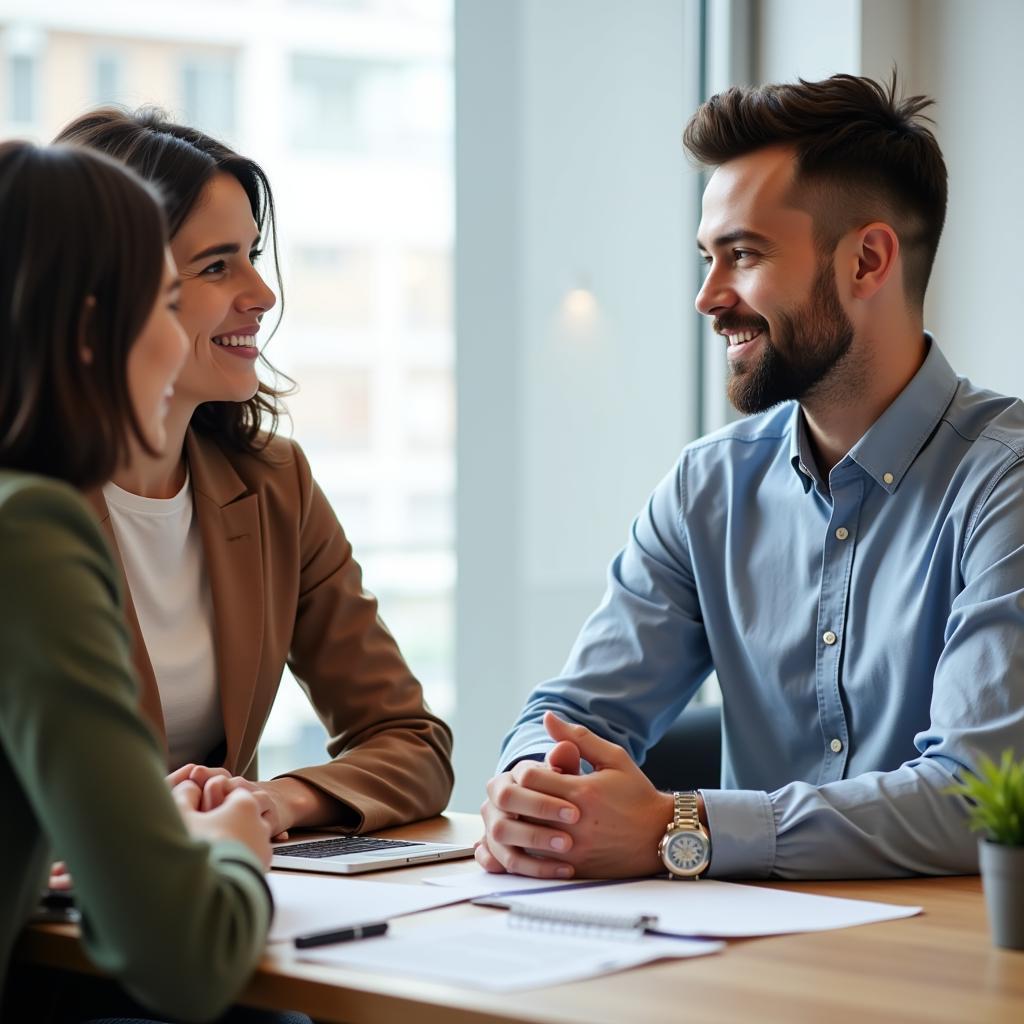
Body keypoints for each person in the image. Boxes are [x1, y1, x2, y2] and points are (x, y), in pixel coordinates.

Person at [479, 72, 1024, 882]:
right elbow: (575, 715)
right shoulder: (709, 486)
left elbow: (975, 798)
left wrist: (682, 825)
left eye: (743, 254)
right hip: (737, 962)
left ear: (868, 261)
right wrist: (535, 791)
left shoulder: (1003, 485)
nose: (707, 296)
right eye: (708, 257)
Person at [52, 108, 453, 841]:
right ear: (111, 296)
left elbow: (409, 739)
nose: (262, 294)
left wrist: (275, 802)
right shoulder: (26, 508)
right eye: (216, 266)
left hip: (206, 897)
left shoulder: (274, 484)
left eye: (253, 255)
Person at [0, 140, 275, 1020]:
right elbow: (182, 957)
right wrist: (234, 842)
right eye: (164, 298)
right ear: (88, 332)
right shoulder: (29, 534)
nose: (173, 336)